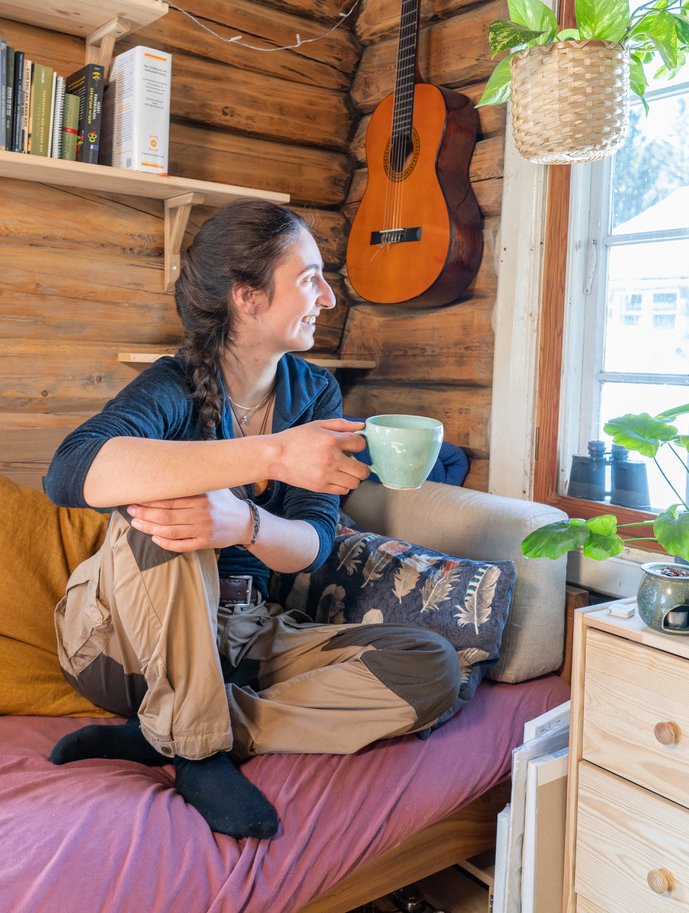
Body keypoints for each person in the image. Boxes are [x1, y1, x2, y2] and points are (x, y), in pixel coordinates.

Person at [45, 199, 461, 840]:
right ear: (247, 297)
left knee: (432, 667)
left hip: (239, 638)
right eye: (309, 278)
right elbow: (70, 470)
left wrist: (244, 524)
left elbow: (314, 545)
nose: (328, 297)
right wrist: (273, 456)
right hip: (118, 647)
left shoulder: (313, 393)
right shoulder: (174, 385)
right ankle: (198, 751)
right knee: (172, 508)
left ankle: (173, 727)